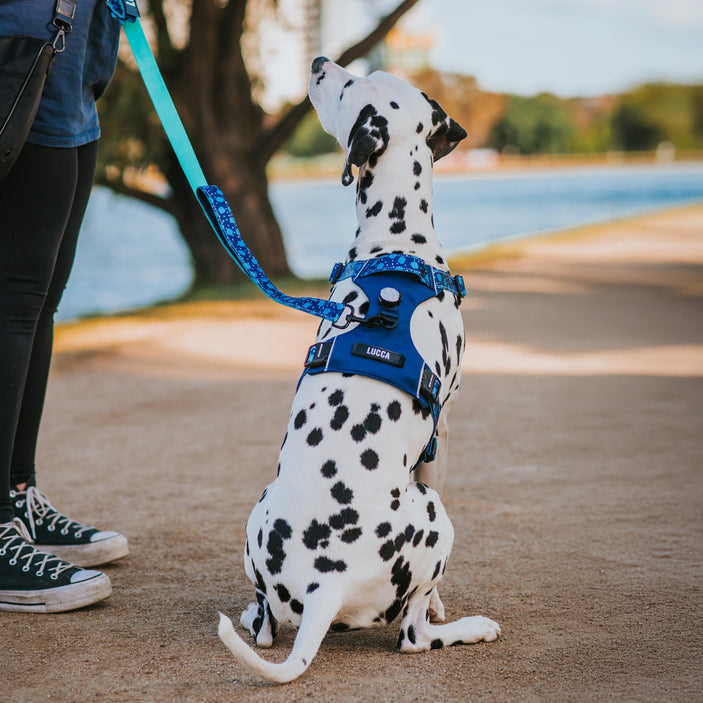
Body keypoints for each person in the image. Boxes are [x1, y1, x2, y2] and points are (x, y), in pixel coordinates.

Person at [0, 0, 128, 612]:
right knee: (13, 302)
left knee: (40, 301)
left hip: (75, 67)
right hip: (21, 50)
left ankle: (17, 492)